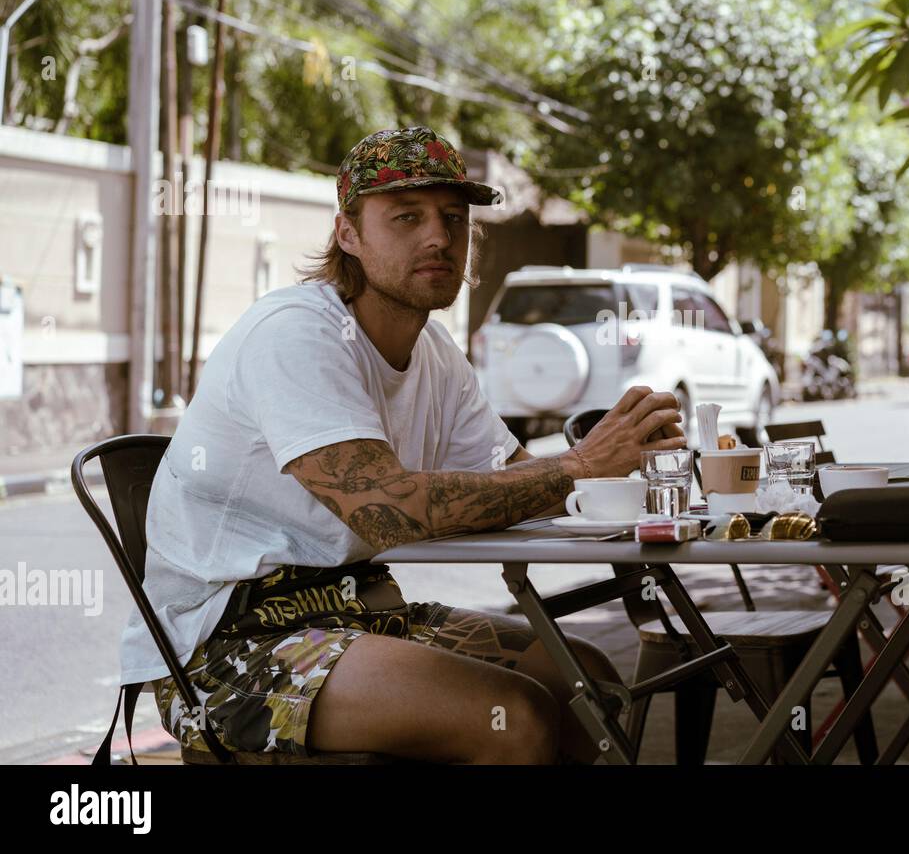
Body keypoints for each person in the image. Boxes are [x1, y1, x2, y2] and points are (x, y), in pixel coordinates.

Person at [118, 126, 685, 763]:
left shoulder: (435, 353)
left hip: (363, 612)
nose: (439, 237)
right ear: (348, 234)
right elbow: (385, 509)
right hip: (229, 647)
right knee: (513, 718)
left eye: (453, 217)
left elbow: (524, 484)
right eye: (406, 217)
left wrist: (633, 466)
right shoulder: (297, 335)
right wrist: (579, 465)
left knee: (585, 676)